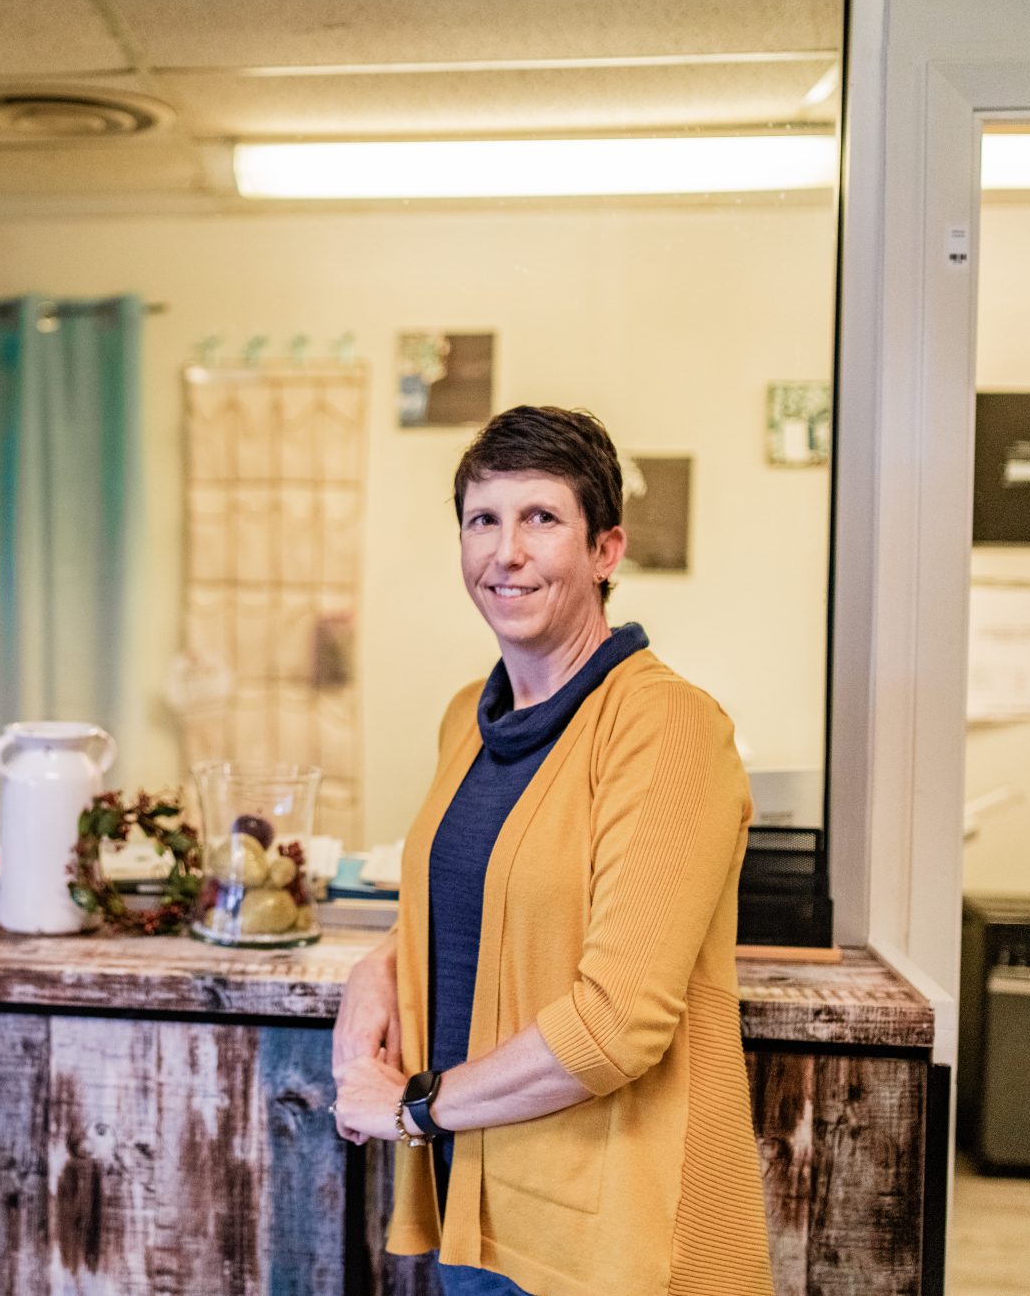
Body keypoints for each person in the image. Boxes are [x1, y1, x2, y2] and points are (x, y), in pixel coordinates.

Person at [330, 405, 773, 1295]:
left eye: (541, 519)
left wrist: (417, 1106)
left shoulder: (668, 727)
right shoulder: (470, 716)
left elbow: (618, 1022)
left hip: (606, 1238)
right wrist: (374, 971)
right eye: (483, 520)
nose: (507, 552)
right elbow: (472, 905)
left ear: (606, 551)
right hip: (479, 1206)